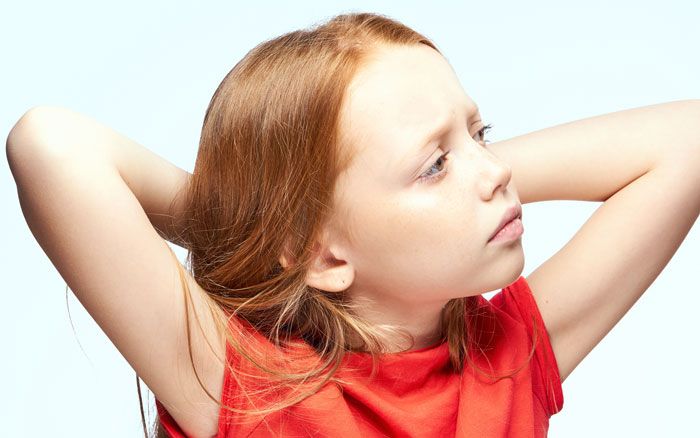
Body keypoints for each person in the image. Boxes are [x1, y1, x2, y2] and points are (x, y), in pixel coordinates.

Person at [6, 11, 699, 438]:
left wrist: (465, 166)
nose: (492, 173)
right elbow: (50, 145)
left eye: (482, 133)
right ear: (323, 255)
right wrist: (262, 226)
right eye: (434, 165)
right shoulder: (250, 392)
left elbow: (688, 139)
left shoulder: (507, 358)